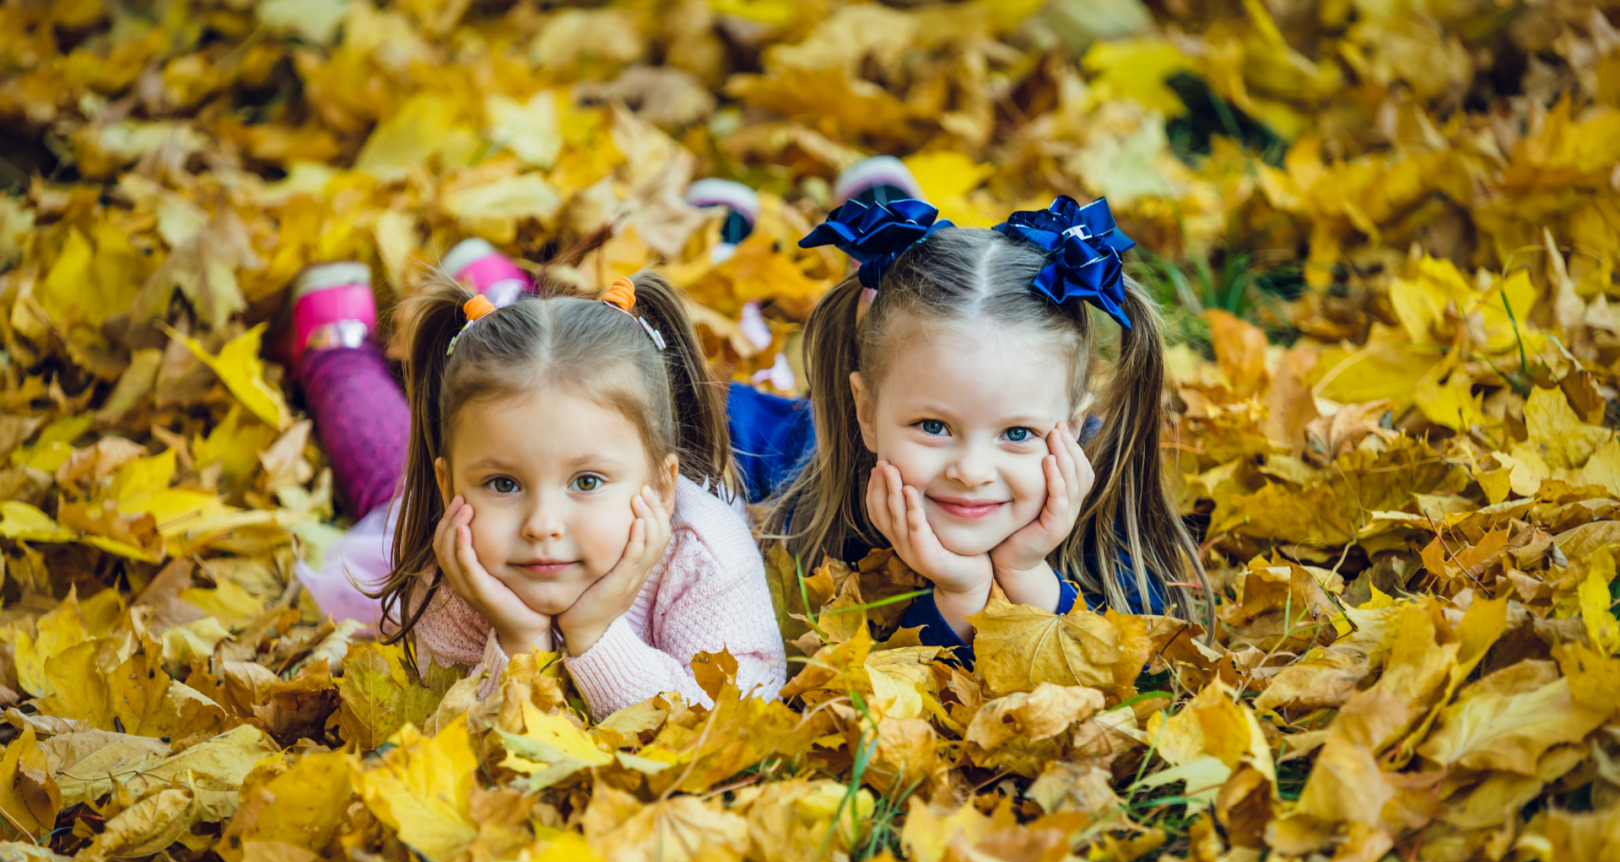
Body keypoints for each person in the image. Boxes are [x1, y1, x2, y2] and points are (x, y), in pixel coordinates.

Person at [748, 192, 1214, 660]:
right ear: (865, 413)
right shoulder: (808, 524)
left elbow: (1140, 670)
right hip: (796, 436)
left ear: (1071, 428)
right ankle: (745, 267)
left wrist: (1026, 575)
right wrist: (960, 597)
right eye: (933, 426)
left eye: (1016, 434)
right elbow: (844, 691)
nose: (971, 472)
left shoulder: (1109, 530)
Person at [369, 271, 786, 717]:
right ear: (449, 486)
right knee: (373, 469)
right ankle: (339, 349)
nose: (542, 525)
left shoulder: (707, 559)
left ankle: (497, 276)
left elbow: (727, 727)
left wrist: (595, 634)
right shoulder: (455, 582)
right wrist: (519, 643)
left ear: (662, 488)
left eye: (586, 481)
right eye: (504, 484)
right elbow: (457, 747)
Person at [284, 240, 536, 629]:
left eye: (587, 482)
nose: (545, 523)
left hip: (448, 541)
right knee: (544, 400)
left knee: (398, 476)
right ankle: (502, 327)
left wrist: (531, 635)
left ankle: (341, 356)